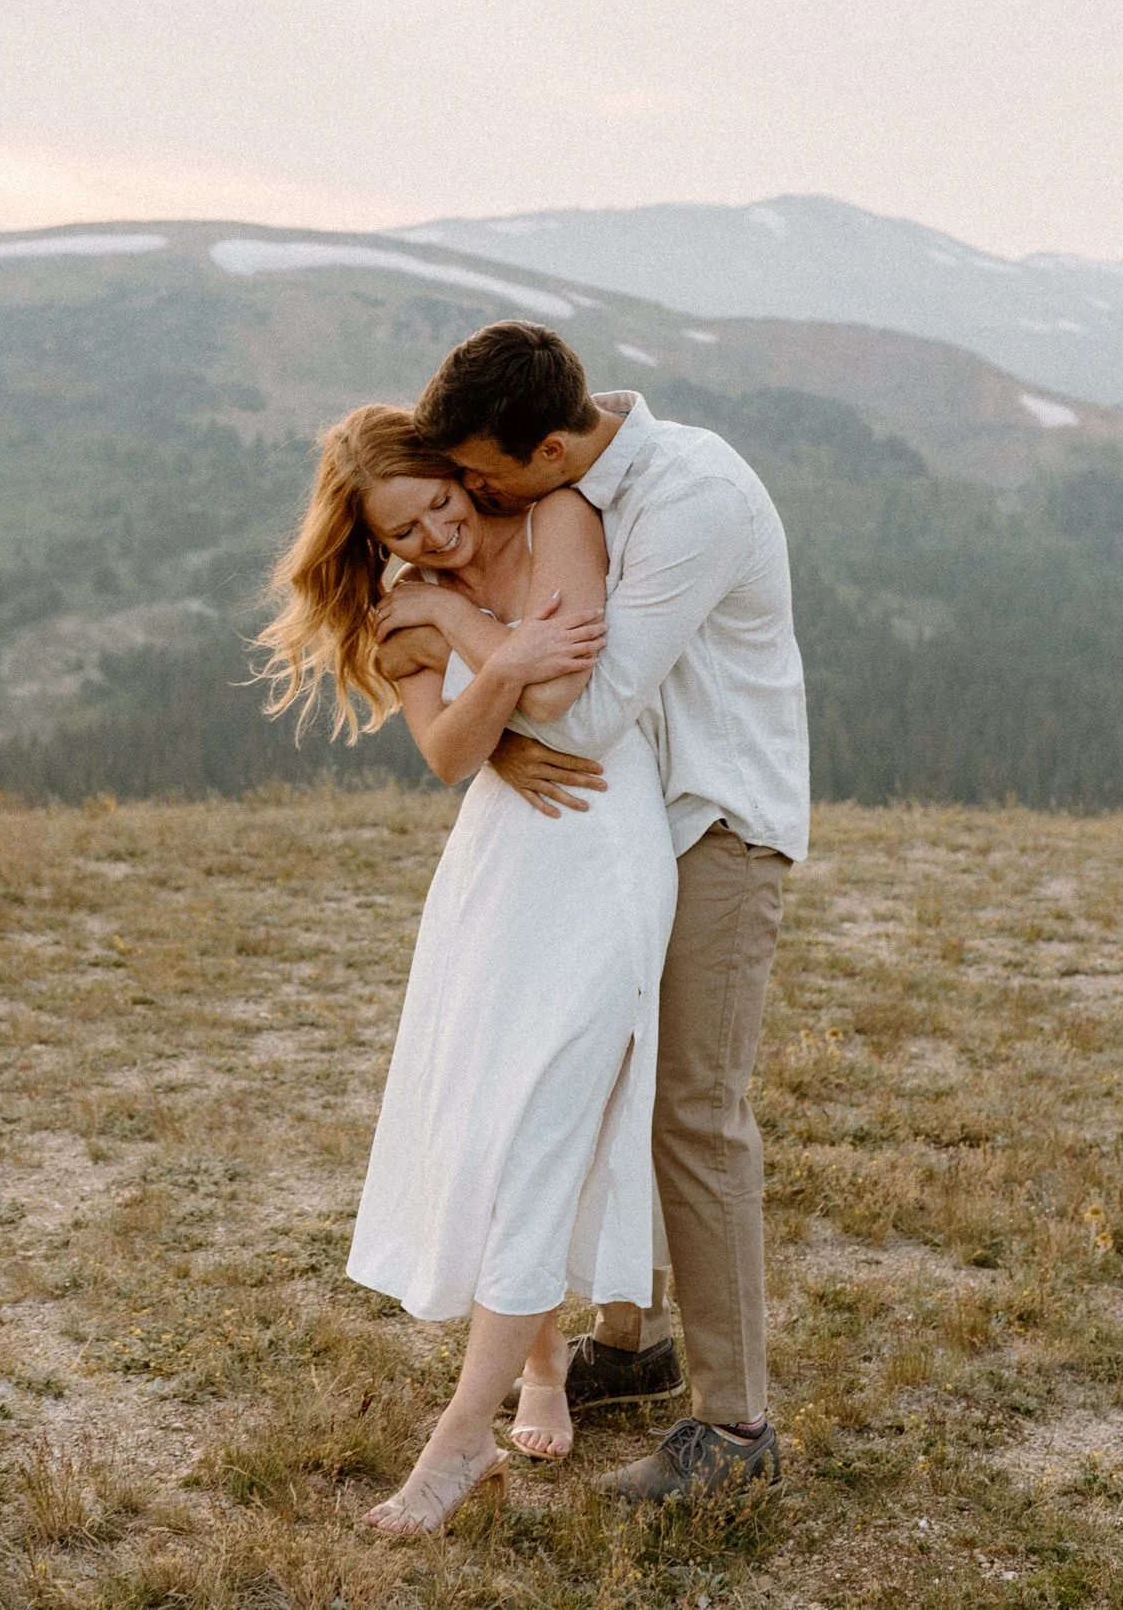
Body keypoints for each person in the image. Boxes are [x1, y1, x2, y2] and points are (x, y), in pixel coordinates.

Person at [379, 321, 810, 1503]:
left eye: (484, 475)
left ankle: (732, 1432)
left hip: (717, 816)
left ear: (554, 444)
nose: (472, 496)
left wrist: (466, 640)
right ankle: (632, 1340)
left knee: (693, 1109)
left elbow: (584, 712)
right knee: (615, 1075)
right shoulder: (579, 479)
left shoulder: (691, 500)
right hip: (642, 821)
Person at [255, 404, 680, 1536]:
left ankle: (456, 1438)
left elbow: (562, 696)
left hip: (603, 845)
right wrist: (458, 632)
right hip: (501, 868)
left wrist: (473, 646)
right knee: (499, 1121)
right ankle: (537, 1369)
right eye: (407, 531)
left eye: (440, 503)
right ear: (372, 535)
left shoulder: (557, 517)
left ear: (458, 473)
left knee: (548, 1117)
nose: (437, 534)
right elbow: (447, 752)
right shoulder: (409, 609)